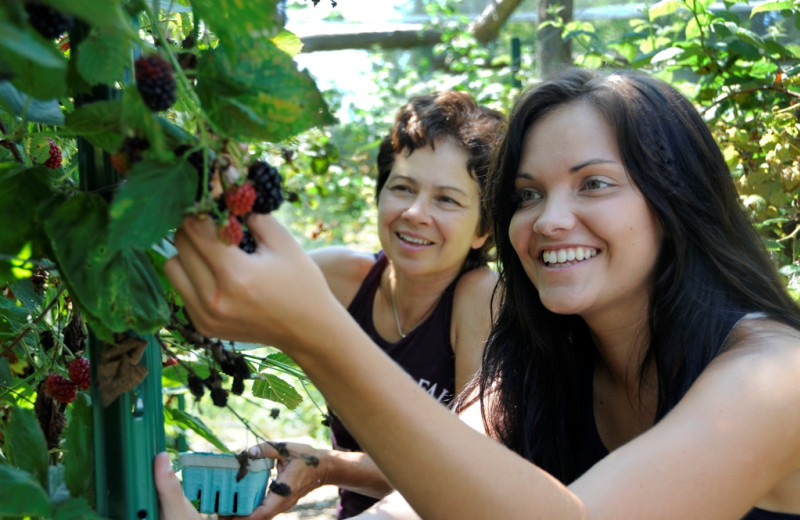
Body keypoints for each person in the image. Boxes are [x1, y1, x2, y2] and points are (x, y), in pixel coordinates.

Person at [160, 67, 800, 519]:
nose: (549, 220)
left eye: (594, 183)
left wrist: (318, 334)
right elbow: (426, 493)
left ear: (675, 200)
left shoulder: (774, 375)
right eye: (528, 194)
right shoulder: (540, 359)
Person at [159, 91, 505, 519]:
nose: (416, 212)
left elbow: (469, 472)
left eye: (447, 199)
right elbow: (227, 287)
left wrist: (325, 467)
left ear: (483, 230)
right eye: (402, 188)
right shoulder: (345, 278)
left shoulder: (479, 298)